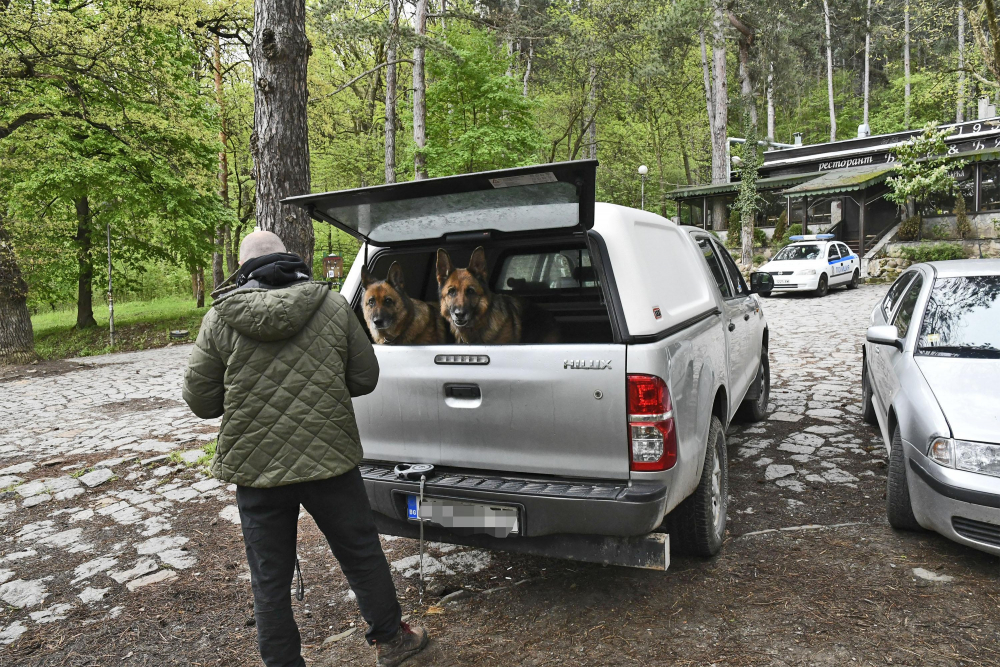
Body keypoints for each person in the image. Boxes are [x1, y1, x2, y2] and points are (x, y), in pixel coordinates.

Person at [182, 230, 428, 667]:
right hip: (330, 460)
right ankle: (391, 641)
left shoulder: (220, 318)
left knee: (269, 578)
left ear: (243, 271)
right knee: (361, 553)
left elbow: (201, 402)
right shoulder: (332, 306)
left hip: (257, 469)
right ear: (290, 258)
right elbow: (365, 378)